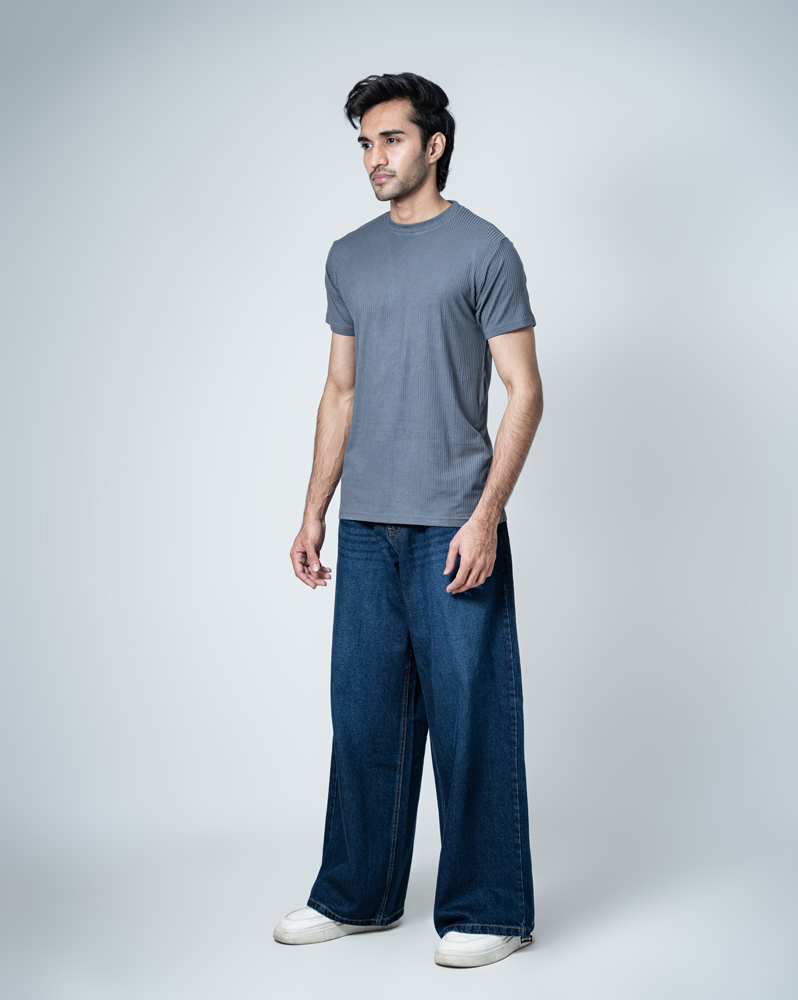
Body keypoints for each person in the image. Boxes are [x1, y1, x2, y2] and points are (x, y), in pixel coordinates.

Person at [274, 72, 544, 969]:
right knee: (364, 721)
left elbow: (525, 391)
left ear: (434, 144)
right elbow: (339, 392)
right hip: (366, 529)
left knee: (471, 722)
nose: (374, 158)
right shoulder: (348, 256)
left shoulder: (485, 250)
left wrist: (485, 517)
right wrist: (313, 512)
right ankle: (356, 895)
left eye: (390, 139)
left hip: (452, 526)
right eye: (364, 142)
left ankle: (492, 909)